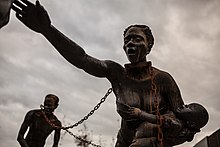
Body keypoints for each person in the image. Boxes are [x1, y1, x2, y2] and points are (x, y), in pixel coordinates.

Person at [12, 0, 198, 146]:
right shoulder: (116, 73)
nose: (130, 43)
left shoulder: (164, 80)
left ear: (149, 46)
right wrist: (48, 30)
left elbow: (182, 118)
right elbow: (81, 58)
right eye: (127, 40)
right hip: (124, 143)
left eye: (136, 39)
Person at [127, 103, 209, 147]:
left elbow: (158, 119)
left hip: (154, 143)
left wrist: (140, 113)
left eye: (188, 107)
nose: (183, 105)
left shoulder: (176, 125)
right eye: (187, 104)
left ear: (190, 123)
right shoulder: (178, 121)